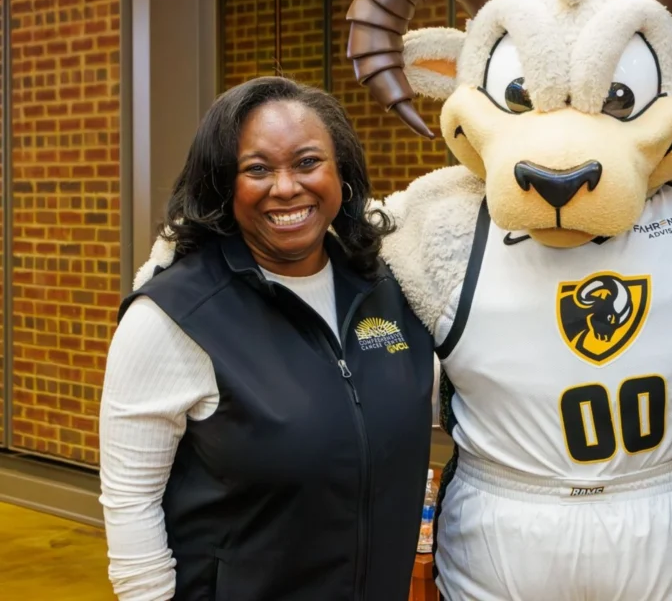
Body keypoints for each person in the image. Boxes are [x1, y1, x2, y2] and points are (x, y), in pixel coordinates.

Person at [98, 77, 436, 600]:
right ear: (222, 185)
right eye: (257, 169)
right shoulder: (175, 315)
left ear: (341, 173)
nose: (285, 187)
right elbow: (130, 502)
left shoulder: (386, 287)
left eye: (307, 162)